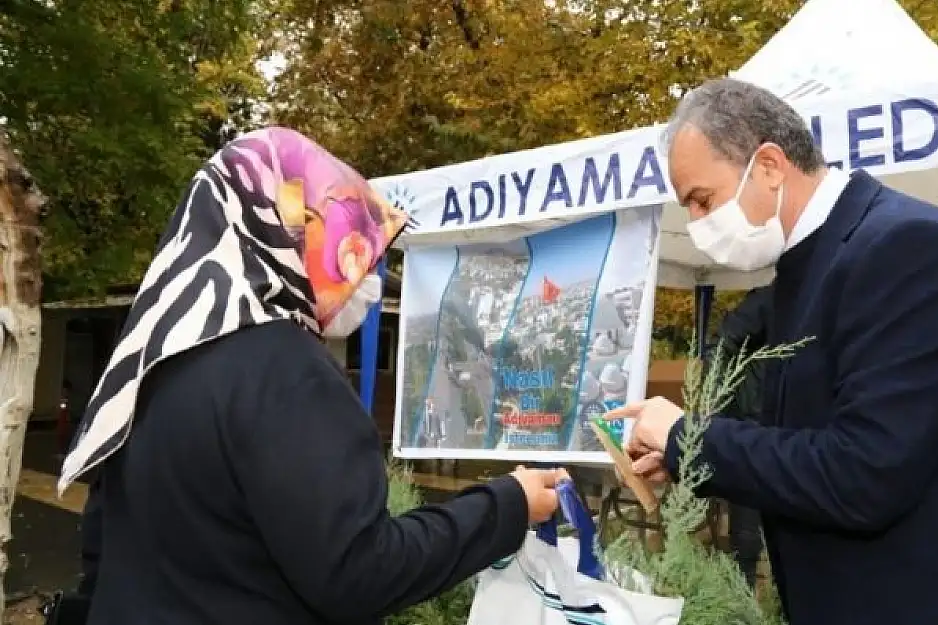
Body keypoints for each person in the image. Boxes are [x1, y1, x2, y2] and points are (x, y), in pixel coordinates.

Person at [607, 78, 938, 625]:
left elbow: (865, 473)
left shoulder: (907, 249)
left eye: (702, 200)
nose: (696, 224)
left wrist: (690, 438)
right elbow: (806, 432)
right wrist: (683, 453)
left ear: (768, 166)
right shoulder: (813, 264)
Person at [57, 127, 568, 625]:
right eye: (353, 251)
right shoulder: (284, 370)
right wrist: (507, 506)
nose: (367, 281)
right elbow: (358, 572)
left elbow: (102, 552)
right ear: (292, 234)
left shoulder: (149, 365)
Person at [714, 284, 773, 589]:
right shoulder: (768, 299)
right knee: (747, 529)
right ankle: (743, 595)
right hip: (753, 425)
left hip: (787, 427)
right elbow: (724, 344)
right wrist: (724, 413)